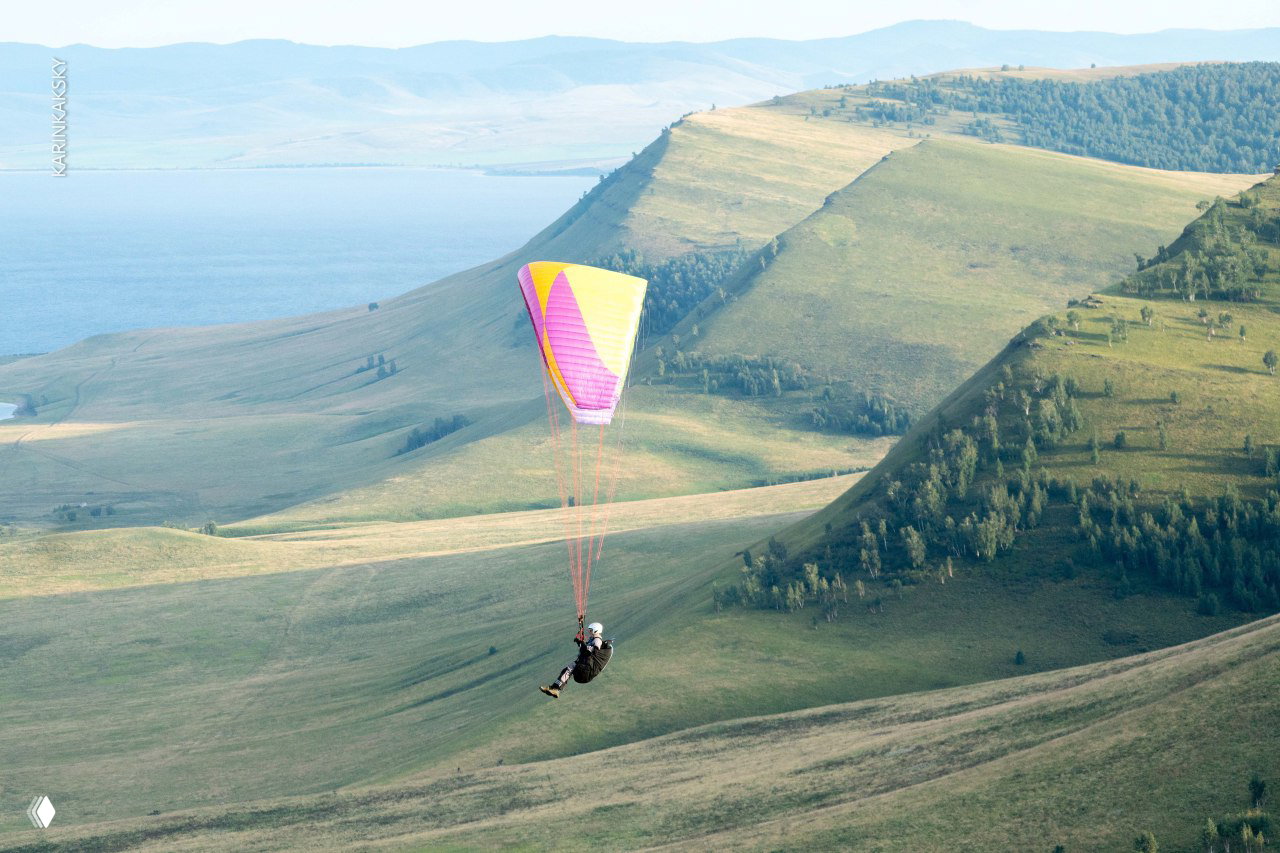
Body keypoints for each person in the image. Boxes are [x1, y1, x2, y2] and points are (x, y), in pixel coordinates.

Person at [540, 621, 612, 698]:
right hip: (585, 665)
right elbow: (585, 649)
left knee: (569, 669)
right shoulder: (592, 639)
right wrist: (580, 643)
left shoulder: (597, 640)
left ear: (596, 630)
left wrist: (583, 644)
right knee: (567, 670)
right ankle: (554, 688)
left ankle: (555, 689)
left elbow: (594, 650)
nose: (589, 631)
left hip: (587, 667)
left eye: (591, 630)